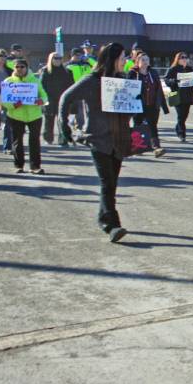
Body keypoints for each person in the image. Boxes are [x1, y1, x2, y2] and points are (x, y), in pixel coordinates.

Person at [60, 43, 133, 242]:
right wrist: (64, 125)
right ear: (112, 59)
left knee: (112, 183)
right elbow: (66, 98)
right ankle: (112, 225)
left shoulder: (121, 80)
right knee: (107, 181)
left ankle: (104, 217)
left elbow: (131, 107)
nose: (125, 61)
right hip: (98, 139)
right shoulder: (92, 80)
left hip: (118, 138)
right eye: (122, 57)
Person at [2, 57, 48, 174]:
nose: (19, 69)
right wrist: (13, 105)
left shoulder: (35, 80)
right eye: (17, 67)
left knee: (34, 142)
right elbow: (4, 100)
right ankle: (19, 165)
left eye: (22, 67)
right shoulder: (8, 81)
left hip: (34, 115)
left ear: (27, 68)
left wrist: (41, 101)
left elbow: (44, 95)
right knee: (17, 141)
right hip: (15, 116)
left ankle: (35, 166)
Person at [127, 52, 168, 157]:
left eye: (147, 60)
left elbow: (159, 89)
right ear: (137, 61)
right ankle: (137, 147)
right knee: (138, 126)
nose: (145, 62)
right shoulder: (132, 73)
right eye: (143, 60)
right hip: (138, 105)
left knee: (152, 126)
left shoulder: (153, 73)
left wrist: (163, 106)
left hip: (152, 104)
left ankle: (156, 148)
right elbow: (127, 88)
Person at [38, 51, 74, 146]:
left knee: (62, 120)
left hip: (63, 99)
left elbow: (71, 86)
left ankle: (63, 140)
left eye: (59, 58)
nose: (58, 60)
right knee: (49, 120)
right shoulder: (45, 71)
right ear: (51, 59)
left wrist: (70, 99)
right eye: (55, 58)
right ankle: (48, 139)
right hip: (49, 99)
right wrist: (44, 99)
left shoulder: (67, 71)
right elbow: (41, 86)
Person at [164, 52, 193, 142]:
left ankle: (178, 127)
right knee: (180, 115)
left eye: (185, 57)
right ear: (178, 59)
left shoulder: (190, 69)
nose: (184, 59)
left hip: (187, 95)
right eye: (182, 57)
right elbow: (166, 80)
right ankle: (182, 134)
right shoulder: (173, 69)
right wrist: (175, 81)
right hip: (176, 95)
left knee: (184, 115)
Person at [65, 46, 95, 131]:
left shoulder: (87, 64)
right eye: (76, 55)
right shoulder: (67, 66)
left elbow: (97, 66)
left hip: (87, 90)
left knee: (88, 110)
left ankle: (85, 126)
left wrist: (89, 60)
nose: (79, 57)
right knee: (78, 110)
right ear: (72, 55)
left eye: (80, 55)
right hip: (75, 90)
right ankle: (79, 126)